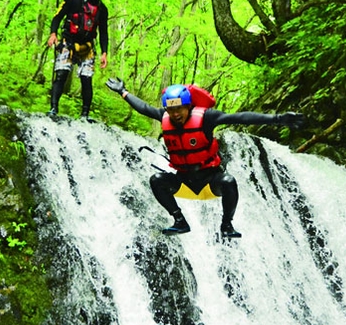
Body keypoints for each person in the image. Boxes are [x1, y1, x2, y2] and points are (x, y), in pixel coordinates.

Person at [106, 78, 306, 238]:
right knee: (156, 180)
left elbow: (240, 117)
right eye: (171, 109)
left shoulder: (206, 118)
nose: (175, 114)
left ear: (188, 106)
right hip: (184, 182)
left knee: (229, 181)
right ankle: (179, 221)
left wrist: (277, 119)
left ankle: (226, 225)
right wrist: (123, 92)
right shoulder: (165, 117)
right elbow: (144, 108)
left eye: (180, 109)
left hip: (210, 182)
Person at [47, 0, 109, 120]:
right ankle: (54, 108)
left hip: (87, 48)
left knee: (86, 79)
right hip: (67, 43)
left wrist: (104, 52)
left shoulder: (102, 9)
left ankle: (85, 114)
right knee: (61, 74)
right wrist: (53, 33)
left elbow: (104, 31)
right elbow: (58, 16)